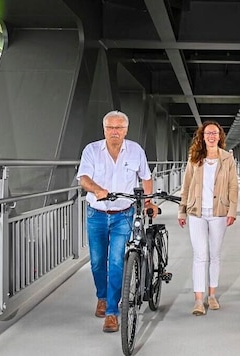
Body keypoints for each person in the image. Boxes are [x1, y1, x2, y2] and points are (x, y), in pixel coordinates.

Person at [76, 110, 157, 333]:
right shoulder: (92, 150)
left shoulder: (135, 151)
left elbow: (146, 177)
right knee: (96, 261)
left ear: (126, 130)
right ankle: (101, 297)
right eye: (110, 128)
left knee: (116, 262)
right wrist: (97, 189)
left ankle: (112, 312)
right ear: (104, 129)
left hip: (123, 213)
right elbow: (83, 178)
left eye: (119, 128)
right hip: (97, 214)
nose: (115, 132)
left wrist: (148, 203)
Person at [178, 121, 239, 316]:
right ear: (202, 136)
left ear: (220, 136)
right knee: (200, 255)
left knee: (214, 255)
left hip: (219, 212)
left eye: (215, 133)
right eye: (207, 133)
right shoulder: (195, 158)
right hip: (197, 211)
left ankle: (212, 295)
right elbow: (186, 185)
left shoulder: (227, 158)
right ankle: (198, 300)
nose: (211, 136)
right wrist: (182, 211)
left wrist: (232, 211)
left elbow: (233, 186)